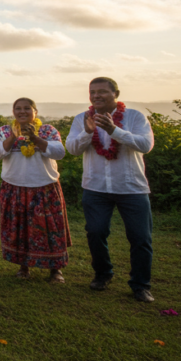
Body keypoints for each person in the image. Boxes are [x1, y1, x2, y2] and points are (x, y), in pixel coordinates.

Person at [65, 77, 155, 302]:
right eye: (92, 92)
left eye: (102, 92)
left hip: (131, 187)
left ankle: (140, 285)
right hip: (95, 187)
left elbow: (145, 145)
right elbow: (73, 149)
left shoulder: (134, 117)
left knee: (140, 237)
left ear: (116, 93)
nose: (96, 96)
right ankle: (103, 274)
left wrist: (114, 130)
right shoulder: (81, 118)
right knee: (95, 232)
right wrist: (87, 132)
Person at [0, 98, 71, 283]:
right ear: (13, 112)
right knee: (21, 230)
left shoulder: (48, 131)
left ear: (35, 111)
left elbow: (59, 152)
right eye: (18, 108)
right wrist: (13, 136)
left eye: (27, 108)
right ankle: (24, 267)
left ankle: (55, 270)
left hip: (44, 187)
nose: (22, 112)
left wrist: (35, 138)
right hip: (15, 188)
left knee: (51, 230)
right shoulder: (4, 131)